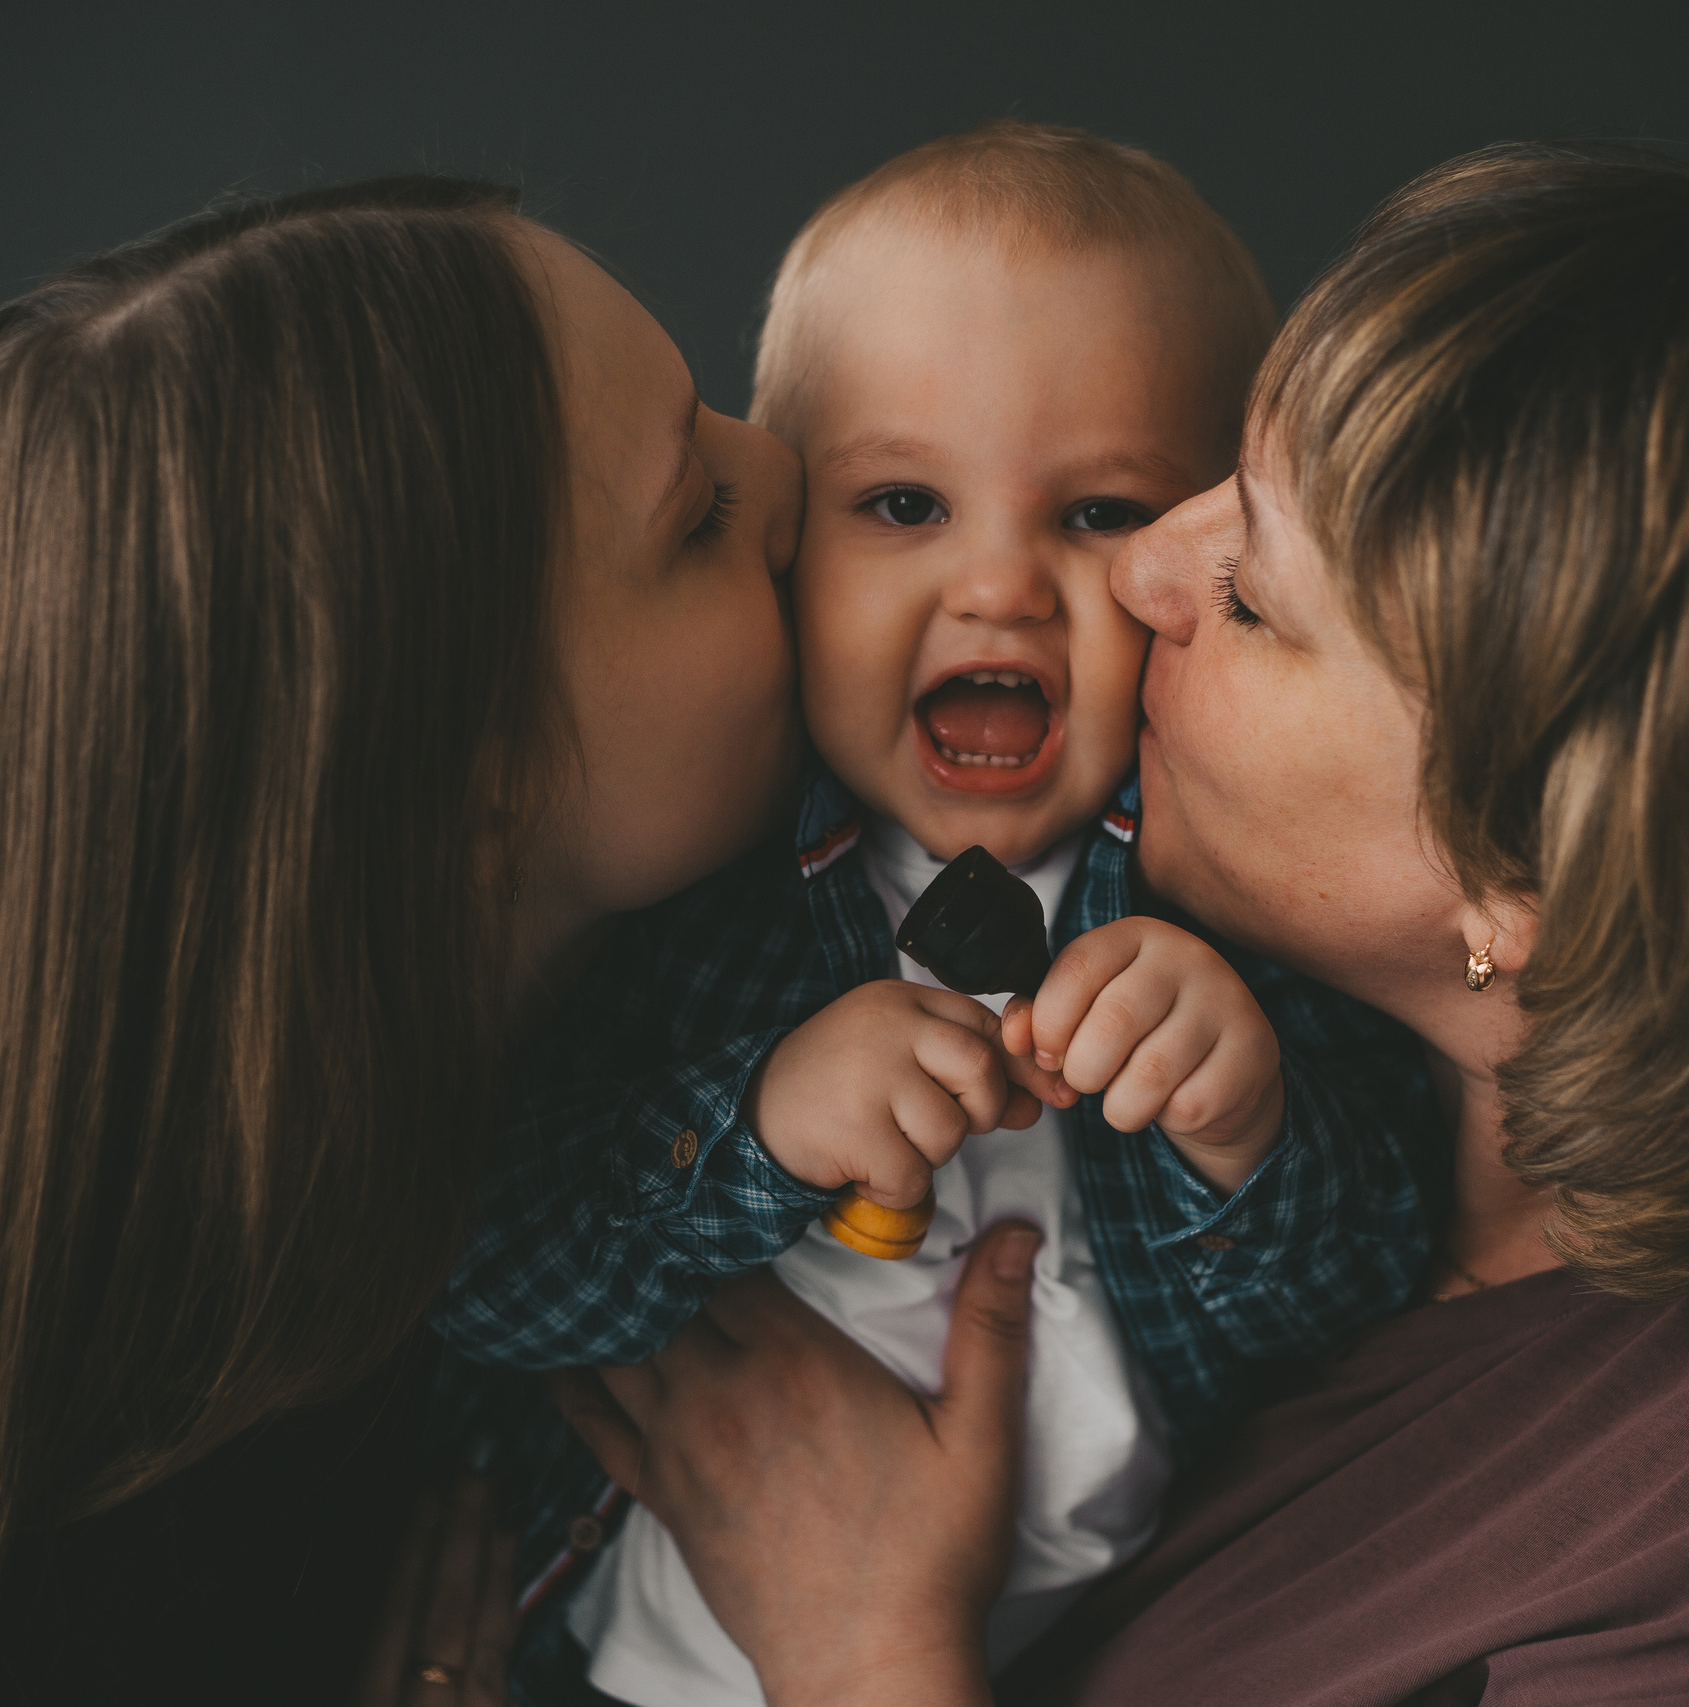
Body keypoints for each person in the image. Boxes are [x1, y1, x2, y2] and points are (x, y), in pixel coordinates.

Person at [545, 141, 1689, 1703]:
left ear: (1534, 890)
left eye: (1256, 594)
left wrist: (864, 1648)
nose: (1141, 579)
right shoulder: (1347, 1044)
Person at [0, 176, 804, 1706]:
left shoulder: (707, 1001)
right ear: (466, 785)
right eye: (701, 517)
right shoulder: (158, 1537)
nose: (790, 461)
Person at [428, 123, 1433, 1707]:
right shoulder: (709, 911)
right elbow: (492, 1274)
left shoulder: (1227, 916)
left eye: (1099, 514)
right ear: (786, 545)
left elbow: (1360, 1307)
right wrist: (753, 1126)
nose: (1000, 586)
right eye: (904, 503)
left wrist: (1247, 1128)